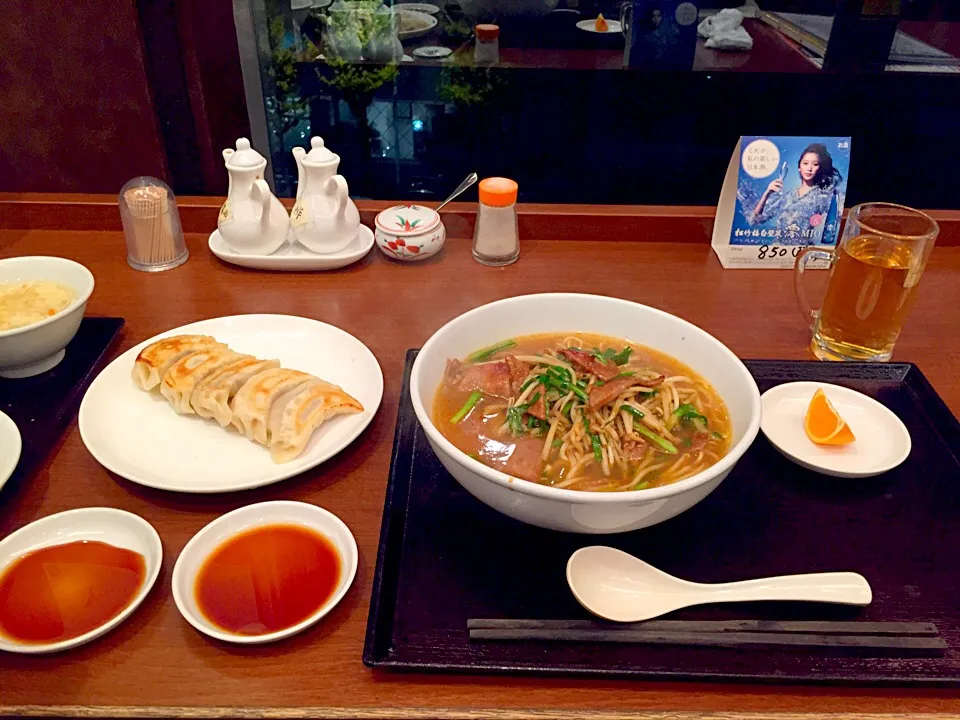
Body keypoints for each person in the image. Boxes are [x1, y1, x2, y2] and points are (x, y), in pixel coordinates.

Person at [749, 143, 843, 243]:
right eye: (805, 163)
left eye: (815, 164)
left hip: (802, 251)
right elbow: (754, 220)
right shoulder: (786, 196)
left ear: (820, 168)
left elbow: (838, 217)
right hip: (777, 249)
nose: (809, 168)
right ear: (799, 167)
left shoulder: (823, 196)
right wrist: (767, 193)